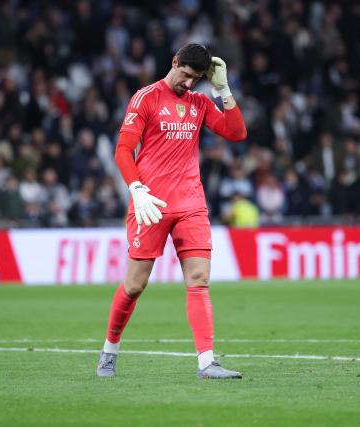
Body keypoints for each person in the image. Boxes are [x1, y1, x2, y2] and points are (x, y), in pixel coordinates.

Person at [96, 43, 247, 379]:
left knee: (199, 280)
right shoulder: (146, 98)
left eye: (197, 79)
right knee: (135, 285)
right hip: (150, 205)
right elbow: (123, 150)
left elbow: (237, 133)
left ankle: (207, 363)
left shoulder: (201, 102)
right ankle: (109, 350)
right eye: (186, 75)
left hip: (191, 204)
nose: (189, 84)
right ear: (174, 62)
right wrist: (136, 190)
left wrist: (222, 89)